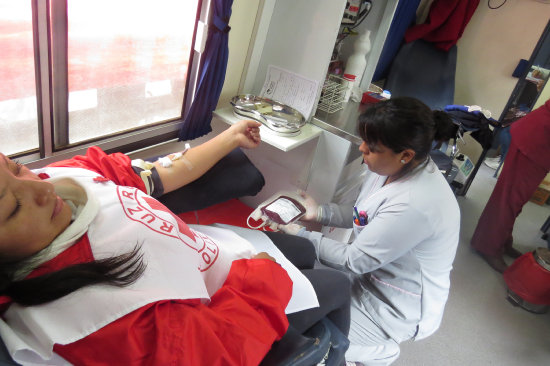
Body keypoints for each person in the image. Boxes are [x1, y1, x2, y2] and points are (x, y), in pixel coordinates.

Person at [0, 119, 351, 366]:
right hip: (228, 301)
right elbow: (211, 352)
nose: (43, 188)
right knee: (337, 283)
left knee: (304, 251)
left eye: (15, 168)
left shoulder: (64, 174)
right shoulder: (89, 316)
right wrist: (261, 278)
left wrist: (230, 137)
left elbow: (160, 174)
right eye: (13, 208)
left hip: (208, 254)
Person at [280, 97, 461, 365]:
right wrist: (319, 212)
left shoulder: (417, 203)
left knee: (307, 338)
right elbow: (363, 216)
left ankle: (381, 353)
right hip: (368, 280)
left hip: (394, 308)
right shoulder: (388, 167)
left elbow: (354, 260)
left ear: (406, 154)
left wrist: (301, 235)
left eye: (371, 147)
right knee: (297, 304)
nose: (362, 148)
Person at [471, 98, 550, 273]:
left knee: (516, 201)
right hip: (535, 140)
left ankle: (502, 242)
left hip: (541, 146)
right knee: (508, 199)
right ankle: (487, 247)